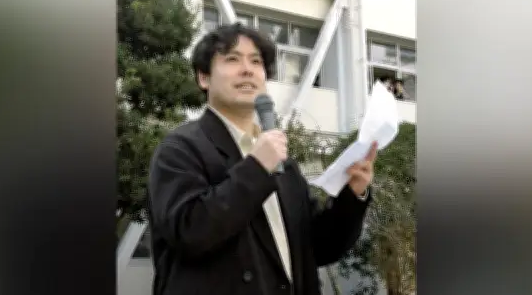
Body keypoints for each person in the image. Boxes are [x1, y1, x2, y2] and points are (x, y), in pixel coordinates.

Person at [147, 23, 376, 295]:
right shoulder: (180, 148)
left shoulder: (283, 164)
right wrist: (256, 168)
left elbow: (319, 247)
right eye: (232, 59)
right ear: (204, 78)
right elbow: (190, 231)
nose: (247, 69)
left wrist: (353, 194)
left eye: (256, 62)